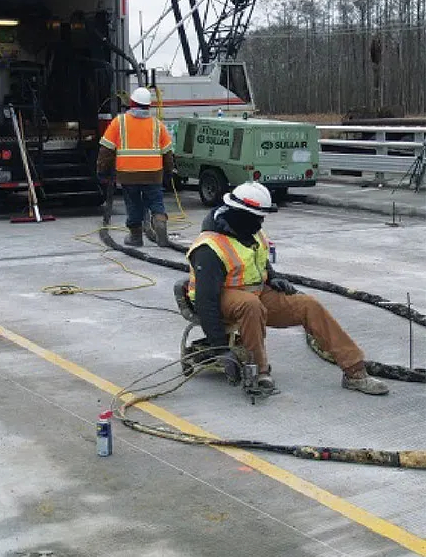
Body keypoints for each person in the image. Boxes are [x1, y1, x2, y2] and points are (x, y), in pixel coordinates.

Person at [186, 181, 389, 395]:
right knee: (250, 305)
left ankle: (355, 371)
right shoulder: (210, 247)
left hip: (255, 293)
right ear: (239, 213)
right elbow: (206, 299)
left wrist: (274, 277)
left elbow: (259, 260)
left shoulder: (251, 231)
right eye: (257, 216)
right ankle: (259, 372)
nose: (260, 222)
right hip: (221, 300)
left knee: (308, 305)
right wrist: (221, 349)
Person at [97, 87, 174, 247]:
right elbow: (167, 153)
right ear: (149, 106)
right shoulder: (157, 125)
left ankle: (136, 237)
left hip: (128, 174)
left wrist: (102, 170)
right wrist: (169, 172)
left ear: (132, 103)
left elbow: (106, 150)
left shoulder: (120, 122)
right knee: (156, 202)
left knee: (133, 204)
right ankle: (161, 227)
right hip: (153, 174)